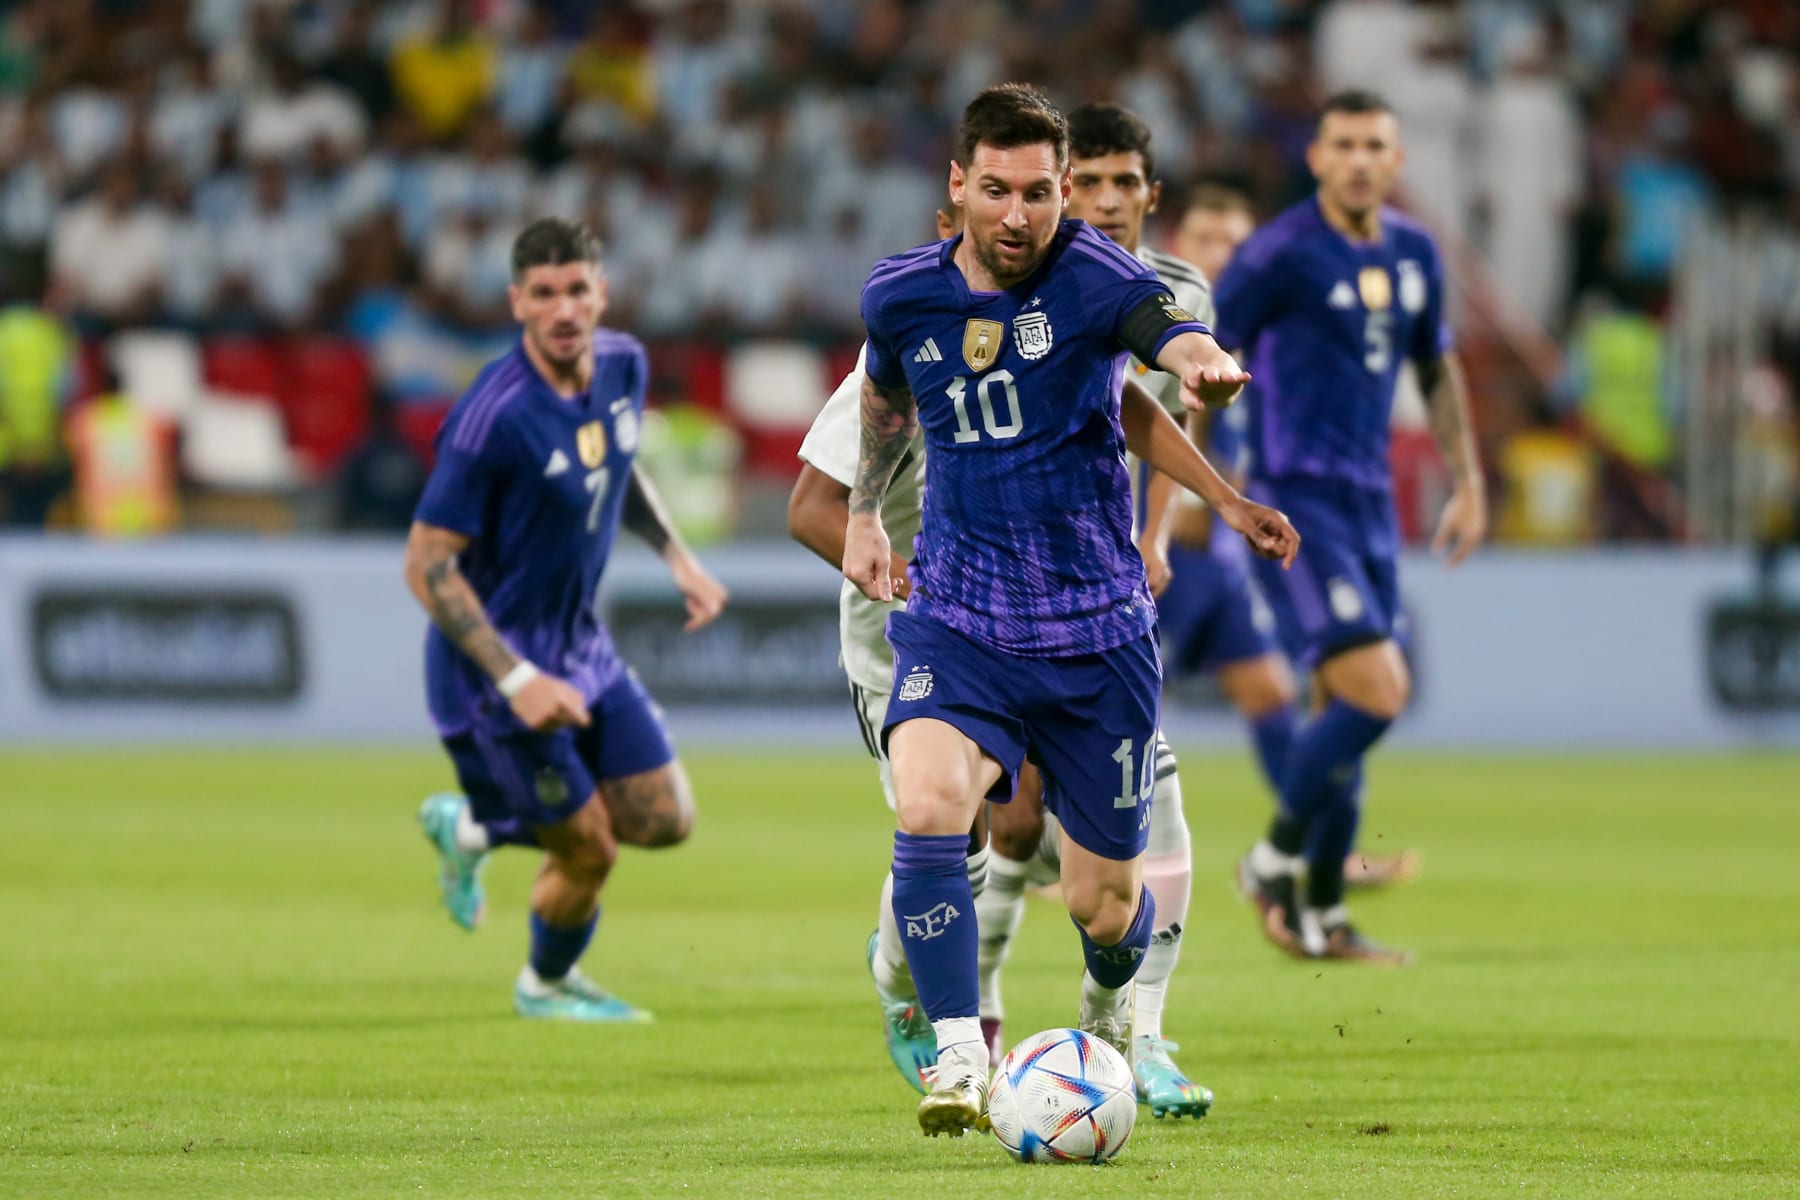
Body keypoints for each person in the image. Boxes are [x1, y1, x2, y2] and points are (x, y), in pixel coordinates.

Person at [844, 83, 1298, 1138]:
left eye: (1039, 194)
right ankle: (958, 1054)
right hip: (959, 619)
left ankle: (1104, 1014)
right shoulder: (901, 295)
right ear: (957, 185)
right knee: (928, 806)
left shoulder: (1096, 271)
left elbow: (1164, 346)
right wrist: (868, 513)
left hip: (1096, 637)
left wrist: (1208, 379)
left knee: (1104, 908)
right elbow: (882, 399)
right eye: (996, 191)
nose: (1019, 215)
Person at [403, 217, 728, 1021]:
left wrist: (677, 557)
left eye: (577, 289)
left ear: (601, 293)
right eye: (543, 293)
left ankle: (475, 829)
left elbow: (619, 467)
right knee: (589, 847)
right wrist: (516, 678)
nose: (563, 309)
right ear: (517, 302)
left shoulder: (624, 364)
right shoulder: (492, 416)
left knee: (666, 819)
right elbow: (426, 564)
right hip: (494, 674)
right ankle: (543, 986)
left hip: (581, 648)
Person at [968, 101, 1225, 1120]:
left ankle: (1143, 1036)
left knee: (1149, 787)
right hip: (1003, 588)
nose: (1112, 201)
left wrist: (1157, 537)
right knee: (1018, 821)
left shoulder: (1172, 291)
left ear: (1151, 195)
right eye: (1097, 182)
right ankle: (975, 1001)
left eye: (1130, 184)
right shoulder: (1013, 273)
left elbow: (1160, 411)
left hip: (1104, 594)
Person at [1217, 91, 1485, 965]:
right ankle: (1272, 862)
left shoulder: (1413, 251)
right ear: (1318, 157)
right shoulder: (1277, 253)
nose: (1362, 159)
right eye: (1345, 144)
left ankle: (1322, 915)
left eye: (1377, 144)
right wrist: (1208, 482)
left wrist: (1469, 480)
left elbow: (1436, 366)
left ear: (1396, 160)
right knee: (1379, 690)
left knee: (1348, 706)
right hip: (1297, 501)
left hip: (1373, 505)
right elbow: (1206, 355)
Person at [1171, 185, 1420, 893]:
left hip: (1218, 548)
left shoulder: (1265, 325)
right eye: (1205, 238)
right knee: (1100, 708)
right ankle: (1039, 840)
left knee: (1264, 688)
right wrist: (1191, 497)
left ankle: (1313, 849)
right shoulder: (1154, 316)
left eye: (1233, 242)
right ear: (1180, 245)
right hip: (1145, 545)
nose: (1219, 254)